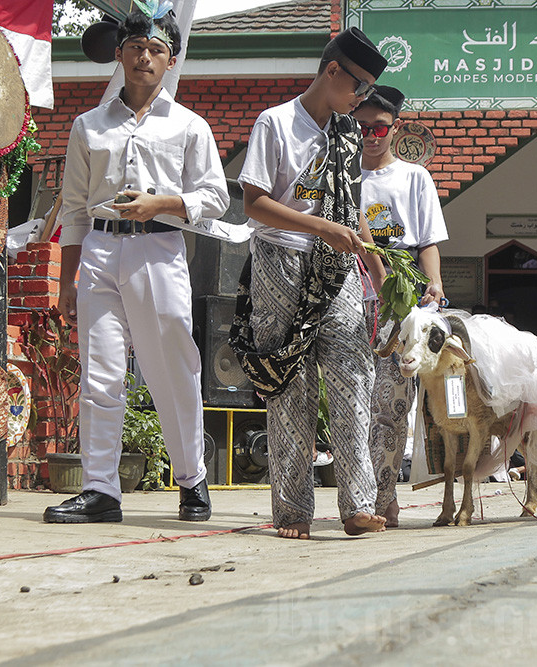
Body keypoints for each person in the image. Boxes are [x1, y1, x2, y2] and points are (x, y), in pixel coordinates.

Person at [44, 8, 228, 523]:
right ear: (120, 54)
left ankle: (192, 480)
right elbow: (76, 208)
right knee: (100, 373)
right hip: (100, 251)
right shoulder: (89, 125)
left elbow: (214, 196)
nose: (144, 57)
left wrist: (161, 203)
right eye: (135, 48)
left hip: (158, 248)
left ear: (171, 60)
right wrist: (66, 279)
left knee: (173, 367)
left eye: (155, 50)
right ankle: (101, 490)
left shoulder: (189, 126)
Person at [229, 28, 389, 539]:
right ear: (333, 70)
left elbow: (352, 208)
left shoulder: (345, 131)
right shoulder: (275, 122)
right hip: (280, 258)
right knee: (290, 387)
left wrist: (378, 268)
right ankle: (293, 510)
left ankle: (358, 503)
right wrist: (321, 226)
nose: (361, 100)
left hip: (336, 268)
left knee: (352, 376)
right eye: (359, 87)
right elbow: (253, 202)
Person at [353, 84, 449, 527]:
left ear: (394, 128)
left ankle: (385, 494)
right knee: (354, 402)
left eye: (380, 127)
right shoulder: (340, 173)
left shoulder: (414, 177)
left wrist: (434, 284)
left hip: (399, 302)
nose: (371, 135)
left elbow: (426, 239)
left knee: (392, 404)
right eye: (363, 126)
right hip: (346, 296)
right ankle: (359, 495)